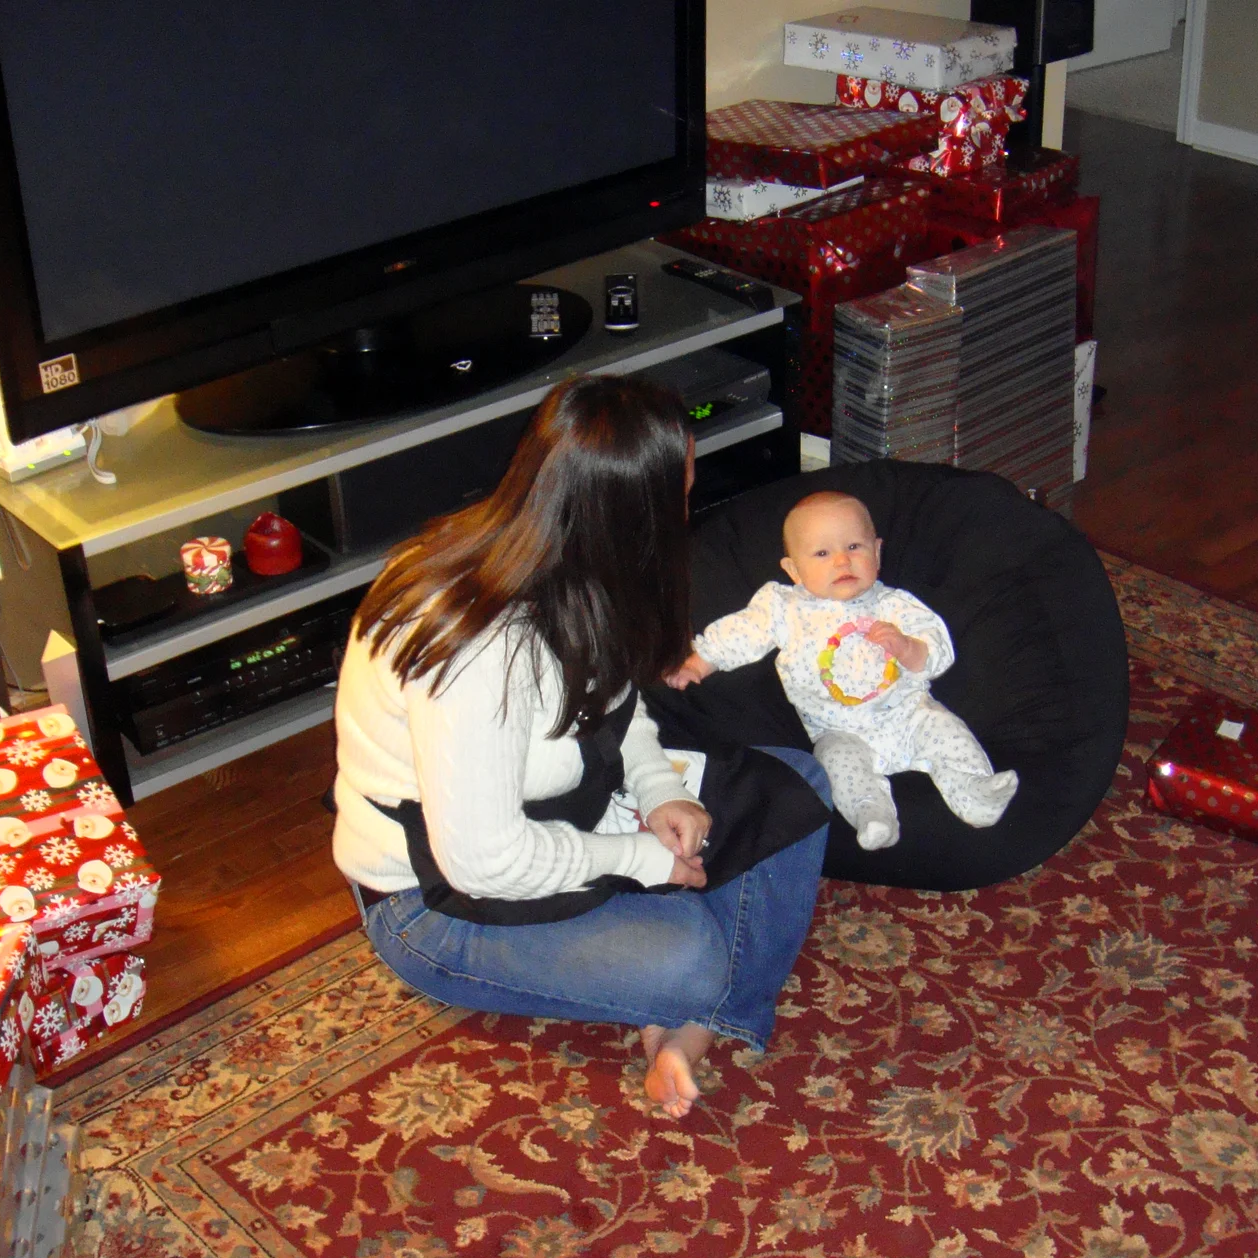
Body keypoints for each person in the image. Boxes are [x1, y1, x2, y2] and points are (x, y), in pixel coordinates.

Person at [332, 375, 830, 1120]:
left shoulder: (573, 560)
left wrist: (659, 788)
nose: (687, 507)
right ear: (633, 513)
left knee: (798, 781)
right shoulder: (479, 649)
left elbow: (617, 703)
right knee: (692, 957)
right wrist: (640, 859)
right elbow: (482, 862)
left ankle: (684, 1018)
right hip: (436, 902)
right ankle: (700, 1015)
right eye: (680, 493)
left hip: (572, 812)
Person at [667, 490, 1016, 851]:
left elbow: (937, 650)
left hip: (908, 714)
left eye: (854, 547)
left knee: (946, 730)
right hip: (838, 729)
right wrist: (698, 662)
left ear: (876, 553)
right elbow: (742, 633)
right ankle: (873, 815)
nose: (842, 561)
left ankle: (976, 793)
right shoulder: (785, 608)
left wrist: (907, 647)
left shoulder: (892, 604)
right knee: (835, 762)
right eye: (822, 553)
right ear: (794, 570)